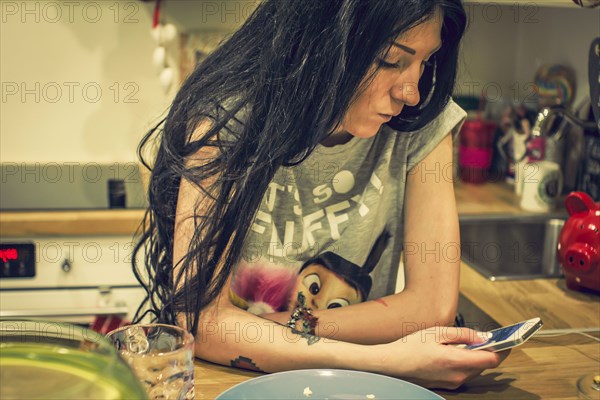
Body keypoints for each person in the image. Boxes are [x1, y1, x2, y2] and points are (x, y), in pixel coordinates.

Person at [133, 0, 508, 390]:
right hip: (230, 381)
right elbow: (202, 320)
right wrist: (385, 361)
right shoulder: (227, 117)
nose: (411, 93)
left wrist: (289, 327)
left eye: (426, 62)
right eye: (391, 60)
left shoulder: (424, 121)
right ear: (322, 43)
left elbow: (431, 308)